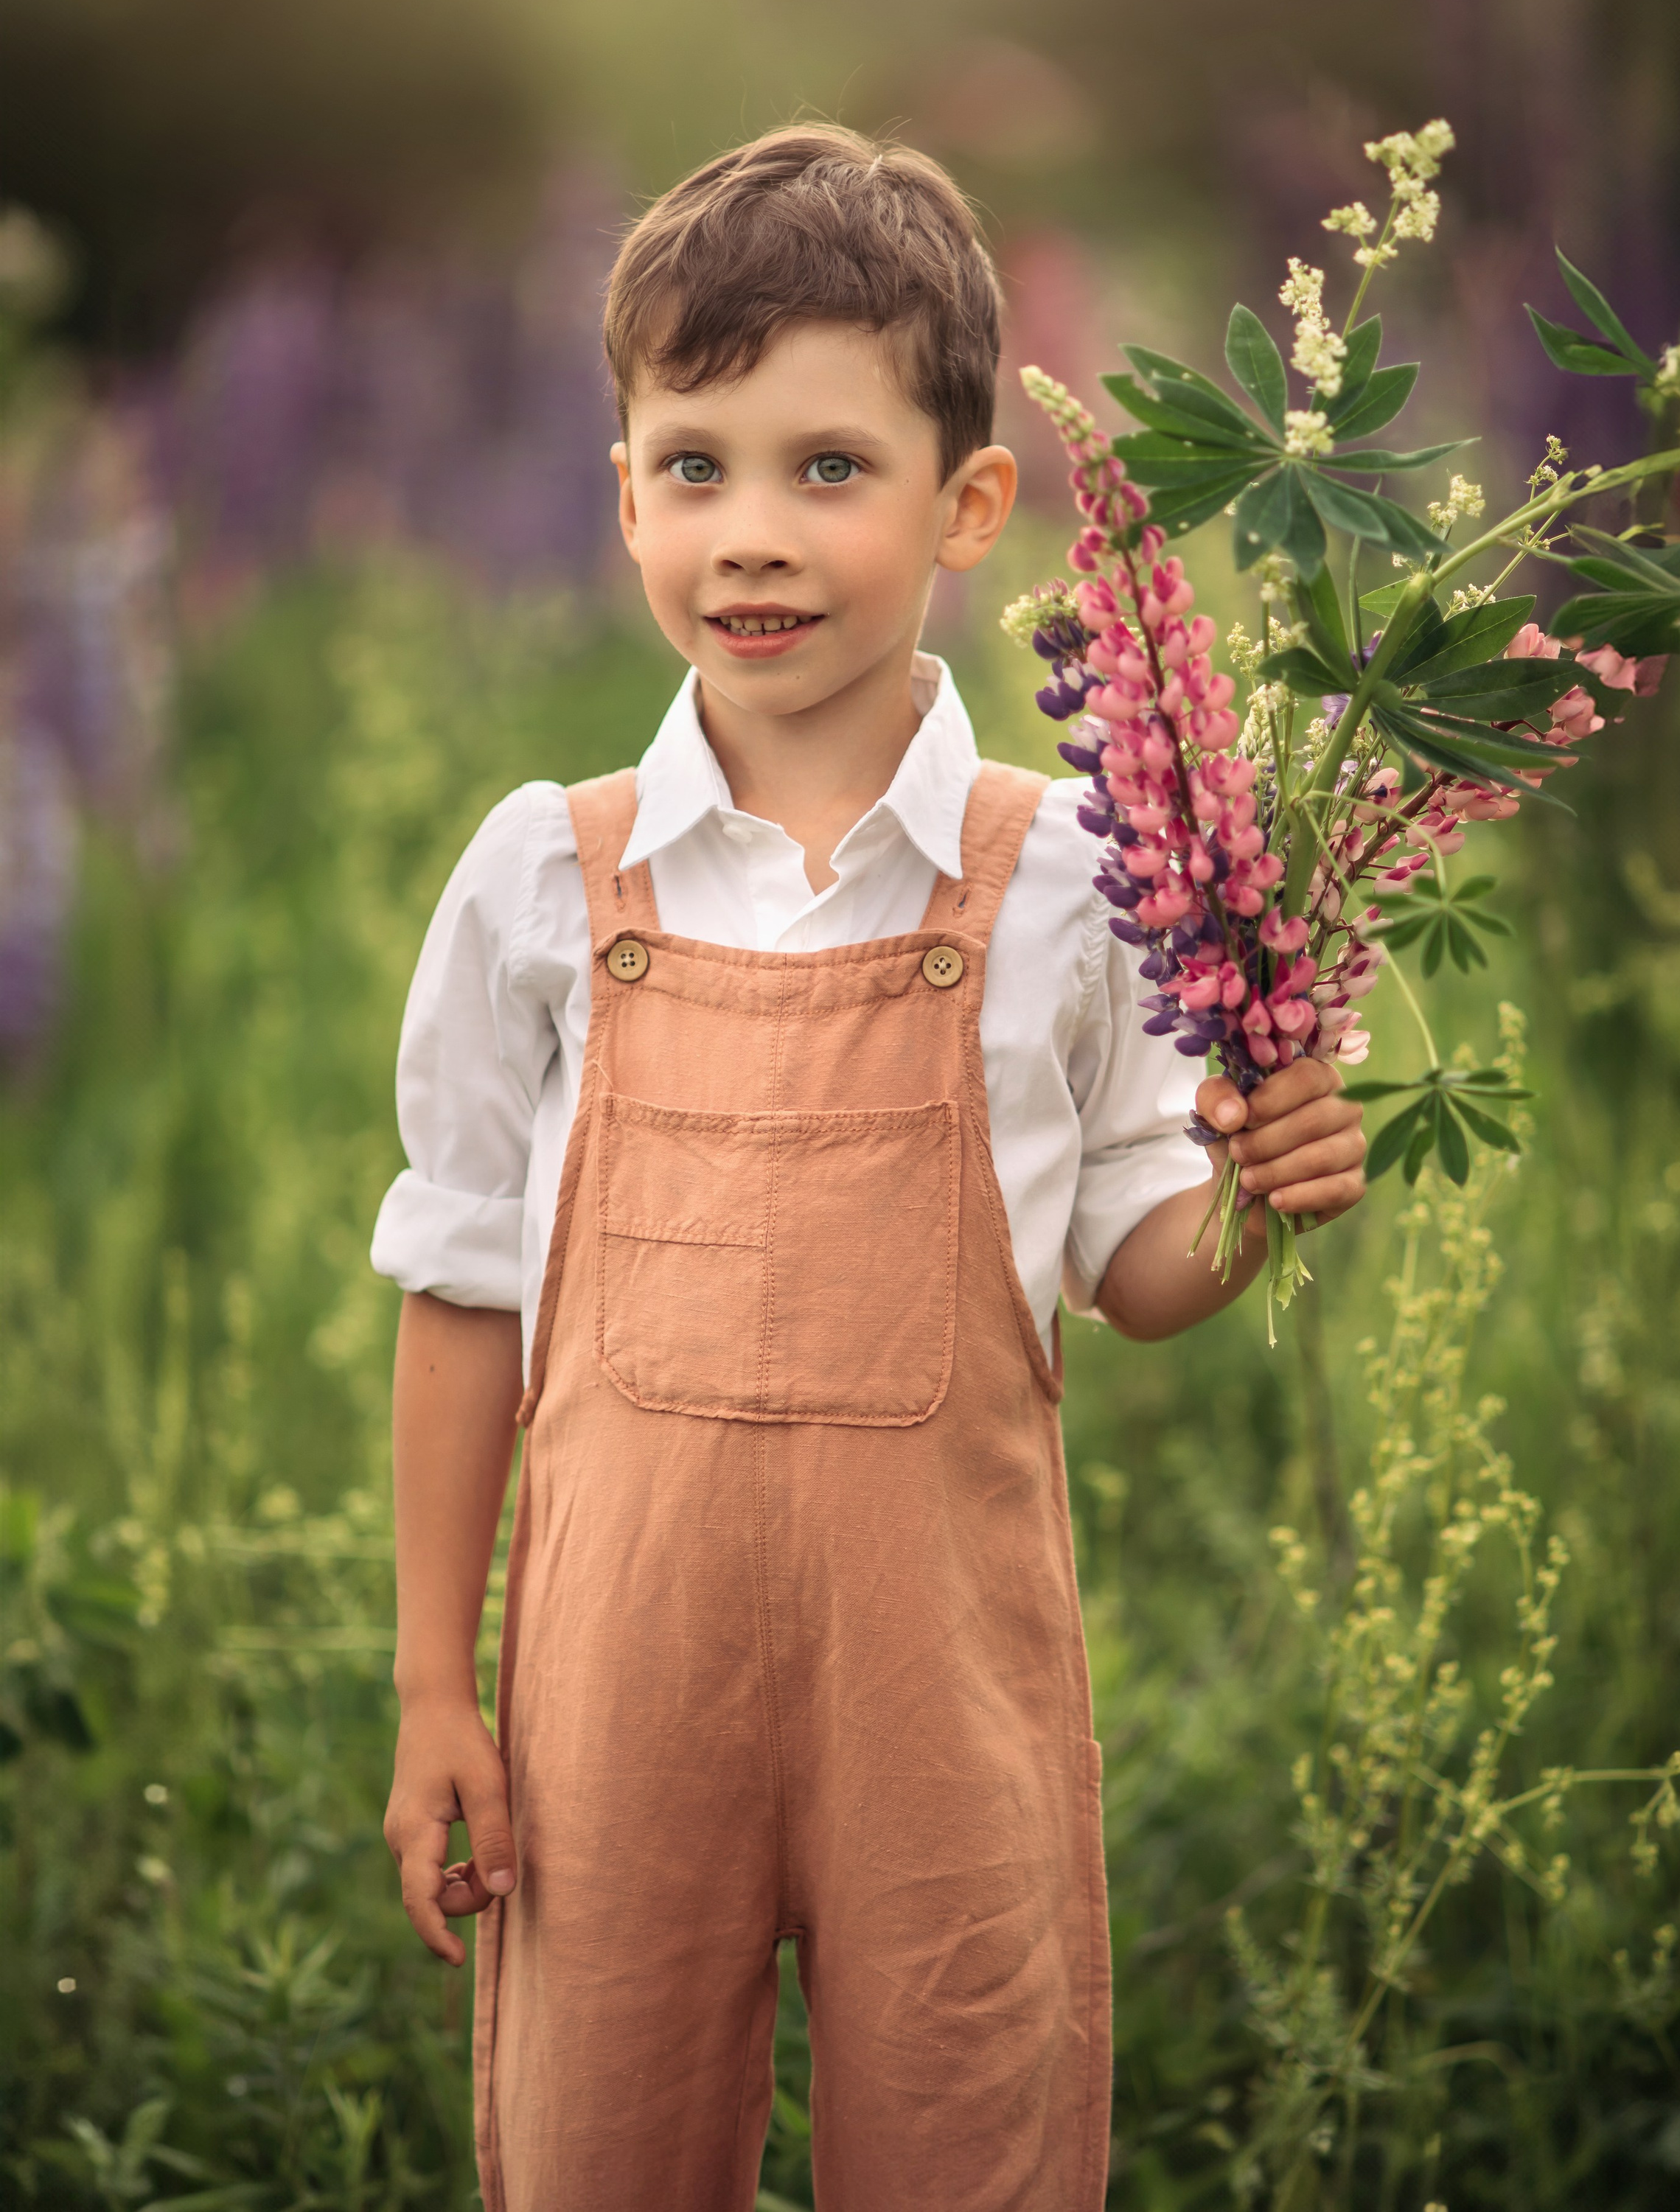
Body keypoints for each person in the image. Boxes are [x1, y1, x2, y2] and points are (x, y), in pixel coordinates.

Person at [374, 125, 1367, 2211]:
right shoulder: (546, 881)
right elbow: (464, 1284)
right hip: (609, 1712)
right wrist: (427, 1688)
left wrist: (1258, 1179)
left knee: (973, 2149)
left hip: (948, 1716)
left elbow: (1133, 1258)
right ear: (622, 488)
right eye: (696, 464)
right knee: (600, 2158)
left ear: (969, 501)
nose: (753, 531)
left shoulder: (1080, 876)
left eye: (831, 467)